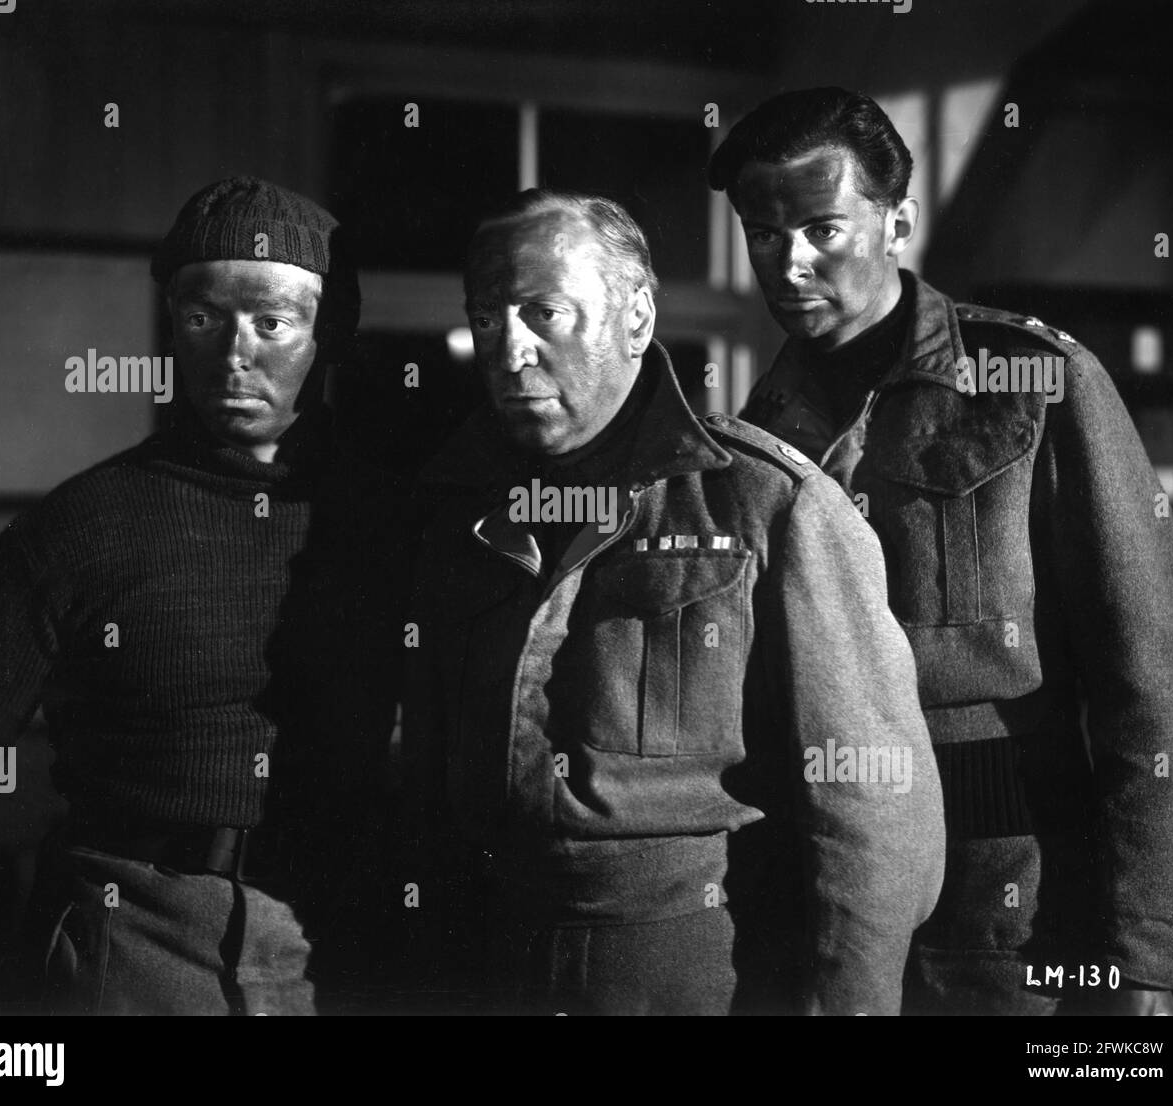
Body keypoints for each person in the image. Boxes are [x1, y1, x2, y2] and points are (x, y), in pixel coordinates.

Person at [709, 87, 1173, 1015]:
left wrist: (1146, 958)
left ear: (898, 222)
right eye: (764, 236)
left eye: (822, 229)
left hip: (1012, 916)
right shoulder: (753, 434)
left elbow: (1146, 683)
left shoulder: (1028, 381)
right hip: (822, 909)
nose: (791, 263)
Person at [402, 188, 944, 1015]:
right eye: (486, 319)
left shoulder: (765, 505)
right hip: (491, 963)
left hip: (697, 970)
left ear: (636, 318)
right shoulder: (453, 514)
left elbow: (874, 820)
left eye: (544, 313)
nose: (509, 351)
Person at [0, 177, 402, 1015]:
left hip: (335, 943)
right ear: (172, 328)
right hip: (130, 941)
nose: (235, 352)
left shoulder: (383, 526)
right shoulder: (77, 527)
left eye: (273, 323)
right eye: (204, 319)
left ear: (331, 337)